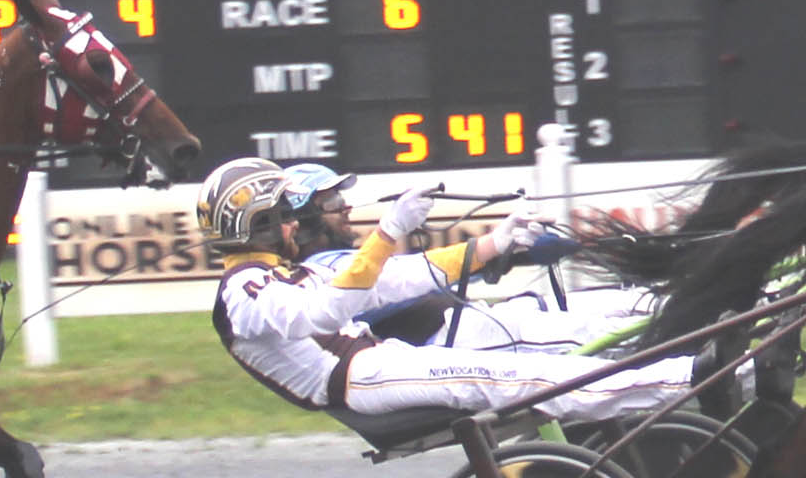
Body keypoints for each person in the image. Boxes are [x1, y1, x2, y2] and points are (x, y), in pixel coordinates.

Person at [199, 158, 702, 429]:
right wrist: (388, 231)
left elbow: (393, 281)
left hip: (377, 363)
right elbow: (326, 312)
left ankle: (689, 376)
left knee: (525, 372)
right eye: (283, 215)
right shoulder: (242, 293)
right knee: (521, 376)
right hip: (358, 378)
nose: (292, 223)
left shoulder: (276, 275)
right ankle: (692, 380)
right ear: (259, 225)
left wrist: (494, 244)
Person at [277, 163, 651, 355]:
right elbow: (397, 285)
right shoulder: (320, 274)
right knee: (619, 335)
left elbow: (411, 275)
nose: (345, 208)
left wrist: (516, 250)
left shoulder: (349, 258)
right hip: (458, 345)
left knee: (638, 303)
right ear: (303, 219)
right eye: (331, 202)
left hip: (486, 321)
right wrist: (488, 254)